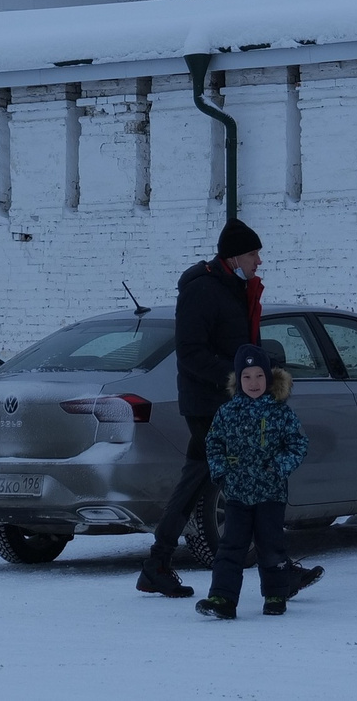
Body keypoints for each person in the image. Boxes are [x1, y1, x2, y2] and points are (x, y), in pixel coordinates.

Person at [137, 220, 263, 597]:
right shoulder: (202, 291)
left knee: (194, 484)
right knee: (246, 481)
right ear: (234, 256)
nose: (259, 261)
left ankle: (156, 564)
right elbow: (191, 354)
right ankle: (275, 566)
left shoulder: (235, 288)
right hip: (210, 405)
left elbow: (235, 342)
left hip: (226, 403)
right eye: (254, 254)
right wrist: (238, 376)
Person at [196, 342, 310, 620]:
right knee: (230, 547)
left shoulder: (280, 412)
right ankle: (222, 597)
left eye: (259, 376)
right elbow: (213, 443)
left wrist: (278, 467)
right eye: (247, 377)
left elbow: (297, 444)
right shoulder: (228, 412)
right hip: (236, 493)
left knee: (271, 545)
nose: (254, 382)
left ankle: (275, 593)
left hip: (270, 493)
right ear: (238, 380)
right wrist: (221, 470)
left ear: (269, 378)